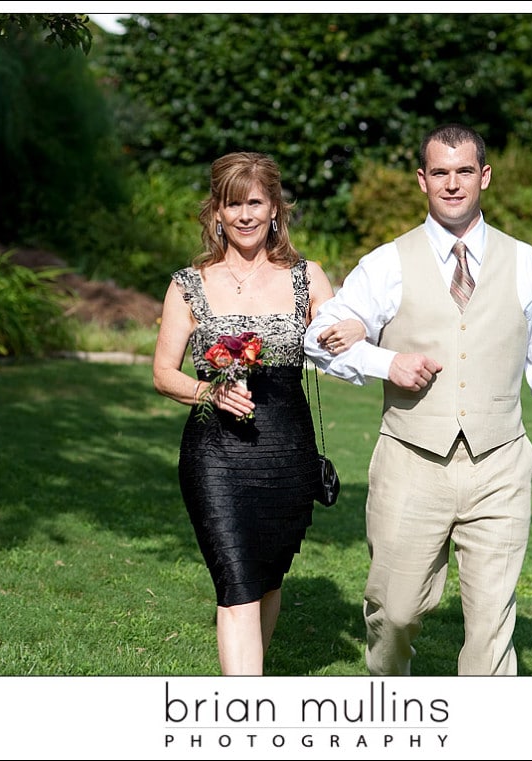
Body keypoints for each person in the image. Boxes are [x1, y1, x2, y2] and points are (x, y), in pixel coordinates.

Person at [304, 124, 532, 676]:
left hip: (500, 464)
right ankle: (392, 707)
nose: (453, 184)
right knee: (393, 613)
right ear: (423, 180)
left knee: (491, 629)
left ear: (483, 176)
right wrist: (384, 362)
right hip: (411, 462)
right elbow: (318, 338)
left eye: (464, 171)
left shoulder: (526, 263)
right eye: (440, 172)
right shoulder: (387, 264)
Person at [153, 151, 363, 675]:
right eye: (232, 204)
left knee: (267, 578)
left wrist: (359, 330)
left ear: (275, 209)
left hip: (288, 451)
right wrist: (210, 393)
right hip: (215, 454)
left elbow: (343, 349)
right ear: (216, 213)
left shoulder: (308, 277)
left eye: (255, 202)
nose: (244, 215)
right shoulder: (188, 283)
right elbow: (163, 373)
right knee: (238, 585)